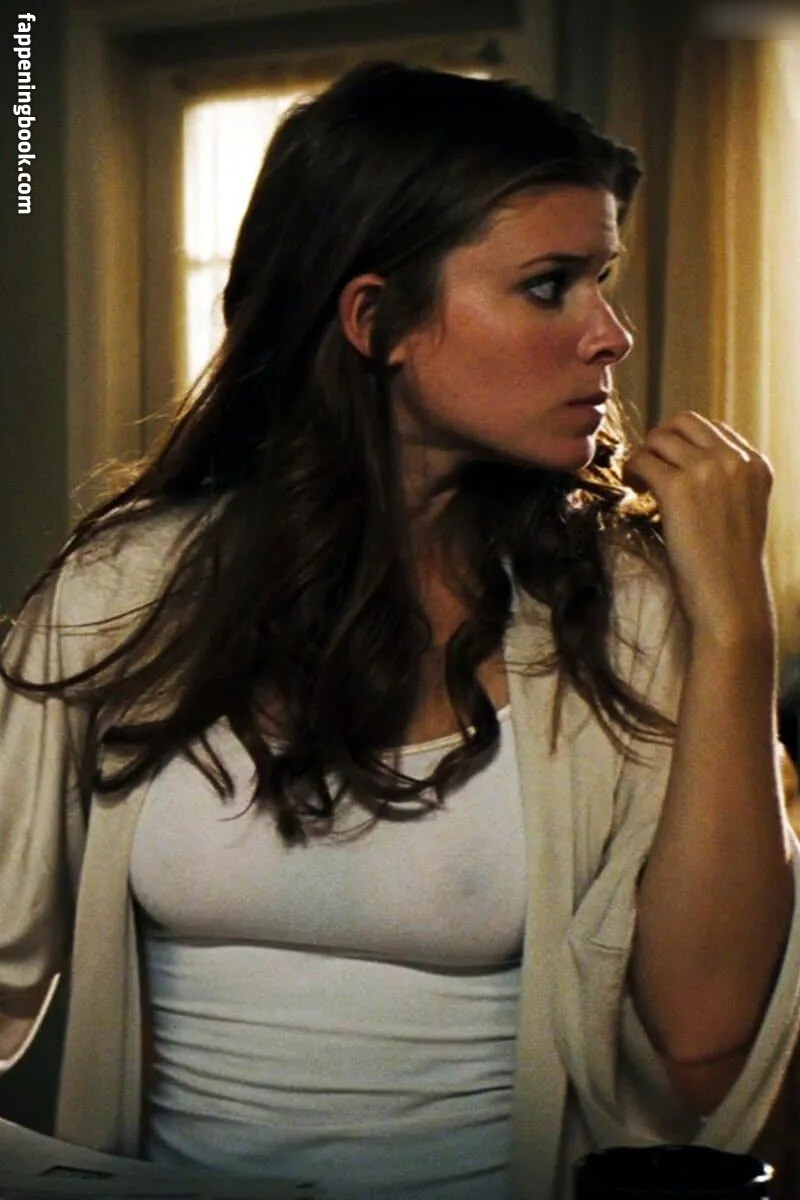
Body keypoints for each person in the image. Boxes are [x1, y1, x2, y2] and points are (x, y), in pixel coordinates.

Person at [1, 61, 799, 1200]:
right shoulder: (122, 593)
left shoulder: (628, 614)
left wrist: (732, 628)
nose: (612, 336)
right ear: (374, 320)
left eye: (603, 281)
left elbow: (704, 1039)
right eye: (550, 286)